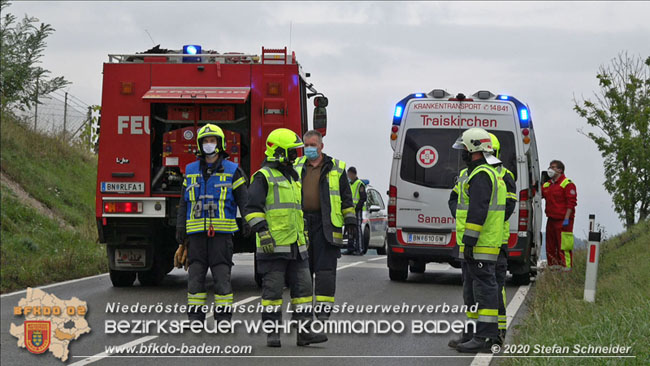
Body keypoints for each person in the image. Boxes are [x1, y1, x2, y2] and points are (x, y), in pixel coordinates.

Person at [244, 128, 327, 348]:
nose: (295, 156)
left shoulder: (293, 177)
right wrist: (262, 232)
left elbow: (296, 210)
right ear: (278, 151)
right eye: (291, 152)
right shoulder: (263, 176)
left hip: (297, 245)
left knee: (303, 290)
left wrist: (305, 236)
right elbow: (251, 209)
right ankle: (273, 334)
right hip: (273, 246)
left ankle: (305, 333)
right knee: (272, 292)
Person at [175, 124, 249, 325]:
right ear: (200, 145)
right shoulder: (190, 170)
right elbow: (184, 202)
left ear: (220, 143)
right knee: (195, 276)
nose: (209, 144)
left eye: (212, 141)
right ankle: (195, 319)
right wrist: (180, 227)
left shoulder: (233, 170)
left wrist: (249, 222)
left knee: (221, 276)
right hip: (196, 235)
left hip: (222, 236)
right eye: (205, 141)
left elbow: (245, 200)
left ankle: (223, 318)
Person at [447, 127, 506, 353]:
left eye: (464, 148)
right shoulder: (483, 172)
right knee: (474, 290)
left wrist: (470, 241)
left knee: (484, 290)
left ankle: (486, 337)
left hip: (481, 244)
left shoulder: (482, 174)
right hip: (479, 244)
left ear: (474, 148)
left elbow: (478, 212)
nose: (462, 152)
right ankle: (475, 334)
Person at [294, 130, 357, 320]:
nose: (309, 149)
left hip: (326, 226)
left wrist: (351, 221)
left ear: (321, 146)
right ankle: (301, 315)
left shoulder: (336, 168)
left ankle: (322, 313)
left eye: (313, 145)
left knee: (325, 271)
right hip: (302, 225)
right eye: (306, 145)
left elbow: (346, 199)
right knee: (302, 272)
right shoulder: (296, 166)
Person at [542, 160, 577, 271]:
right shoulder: (547, 184)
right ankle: (553, 270)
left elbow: (571, 203)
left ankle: (567, 269)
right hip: (551, 220)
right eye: (550, 167)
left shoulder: (567, 184)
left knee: (564, 246)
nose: (550, 169)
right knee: (550, 246)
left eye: (553, 167)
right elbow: (538, 193)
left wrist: (566, 219)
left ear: (560, 170)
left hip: (563, 220)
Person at [344, 167, 367, 255]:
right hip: (349, 210)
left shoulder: (359, 184)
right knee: (350, 229)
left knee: (357, 229)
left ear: (354, 174)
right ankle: (350, 248)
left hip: (357, 211)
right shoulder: (349, 184)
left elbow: (363, 198)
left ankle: (359, 249)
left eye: (349, 174)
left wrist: (357, 208)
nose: (348, 176)